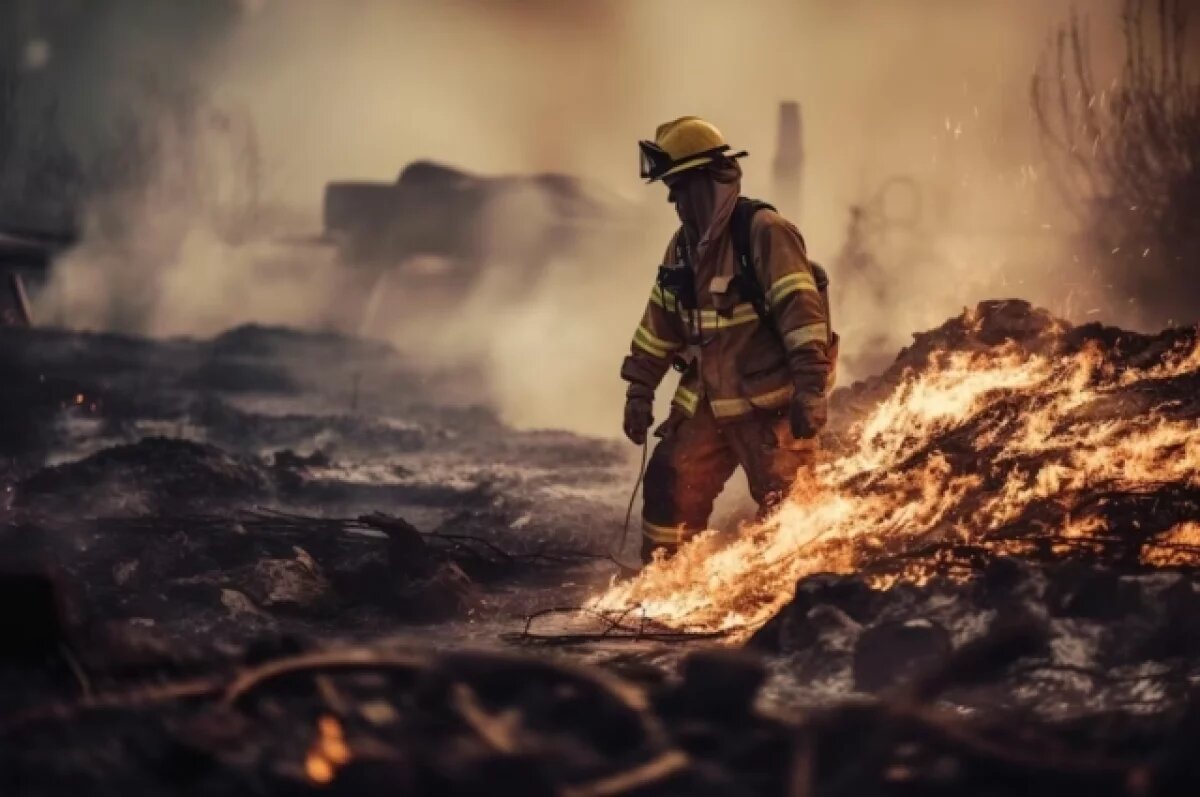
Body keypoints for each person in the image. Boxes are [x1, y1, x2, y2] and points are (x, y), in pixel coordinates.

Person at [621, 116, 837, 564]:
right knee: (668, 482)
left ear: (705, 181)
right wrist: (639, 390)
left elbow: (802, 314)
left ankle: (798, 594)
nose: (672, 199)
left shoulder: (763, 231)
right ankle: (665, 581)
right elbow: (658, 325)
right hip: (709, 403)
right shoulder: (682, 247)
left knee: (790, 511)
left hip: (770, 408)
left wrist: (812, 389)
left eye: (678, 186)